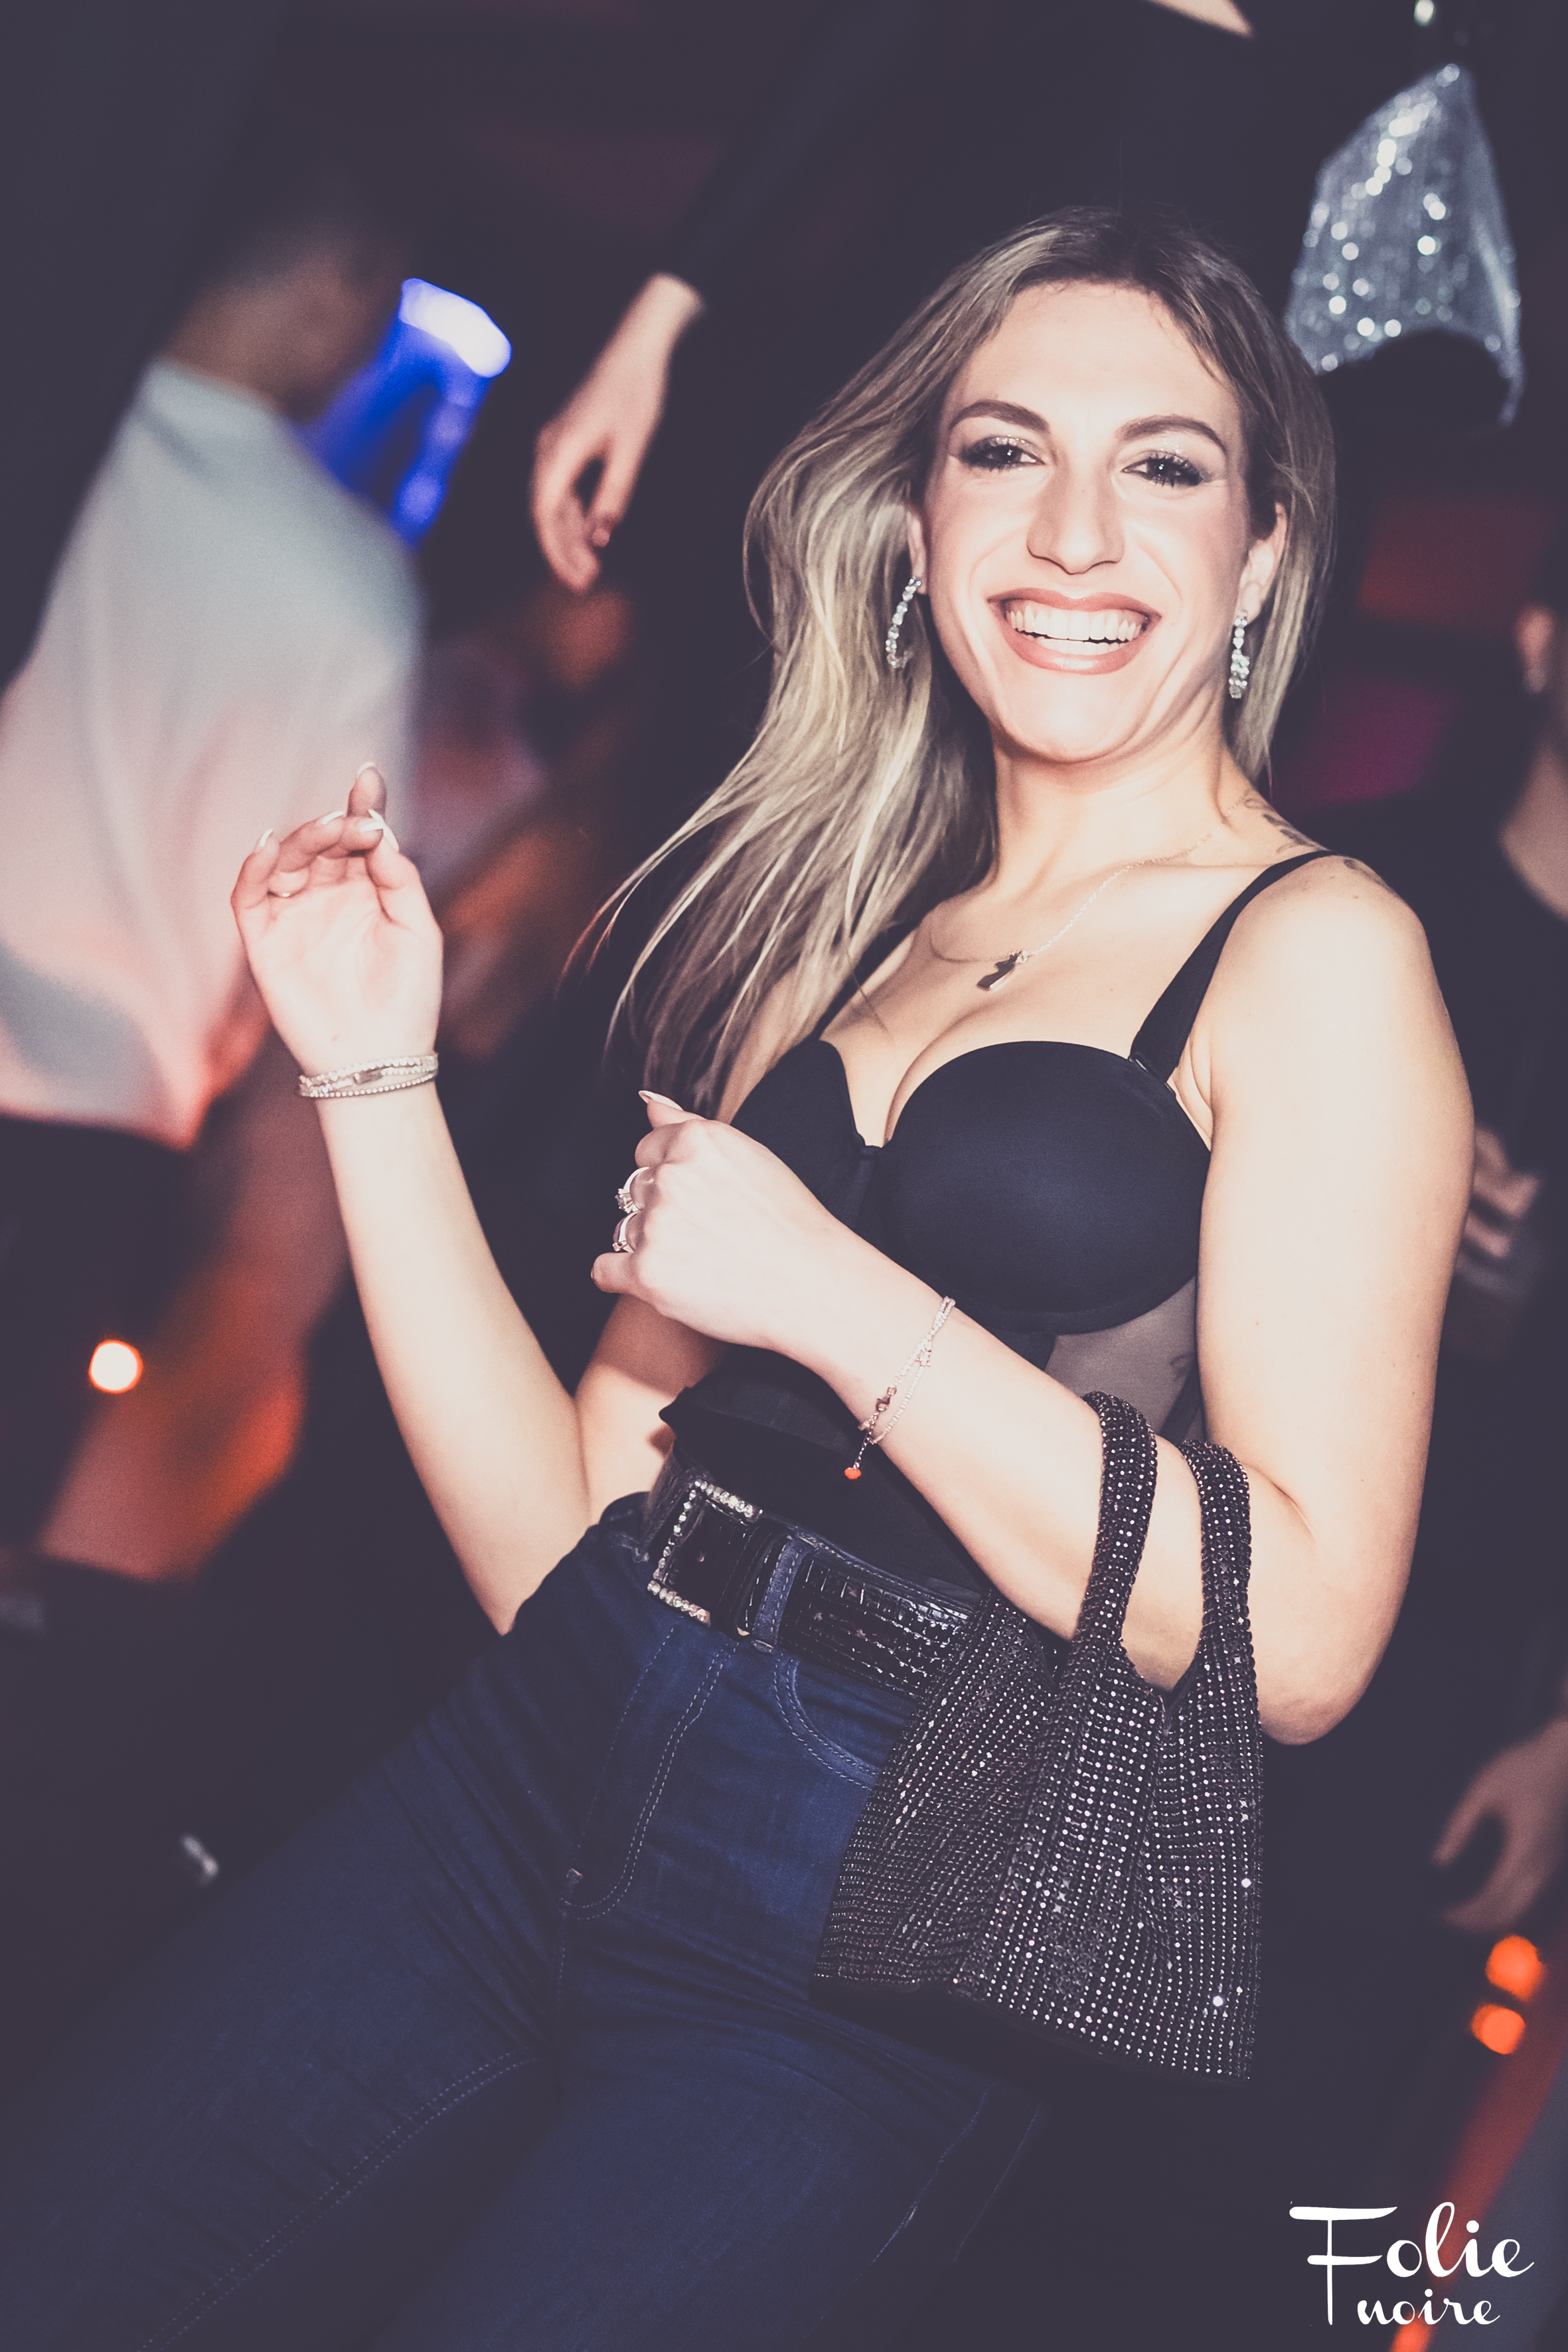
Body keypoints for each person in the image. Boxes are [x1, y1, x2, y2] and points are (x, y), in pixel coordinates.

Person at [0, 209, 1470, 2350]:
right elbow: (571, 1534)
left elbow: (1307, 1636)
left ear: (1260, 556)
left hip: (868, 1923)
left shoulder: (1320, 951)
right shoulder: (841, 922)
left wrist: (836, 1301)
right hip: (530, 1762)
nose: (1072, 532)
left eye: (1161, 466)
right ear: (917, 525)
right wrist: (371, 1069)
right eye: (1001, 452)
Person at [0, 133, 423, 1545]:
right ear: (334, 287)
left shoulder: (51, 426)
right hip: (100, 1120)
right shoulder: (352, 583)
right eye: (379, 314)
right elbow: (320, 895)